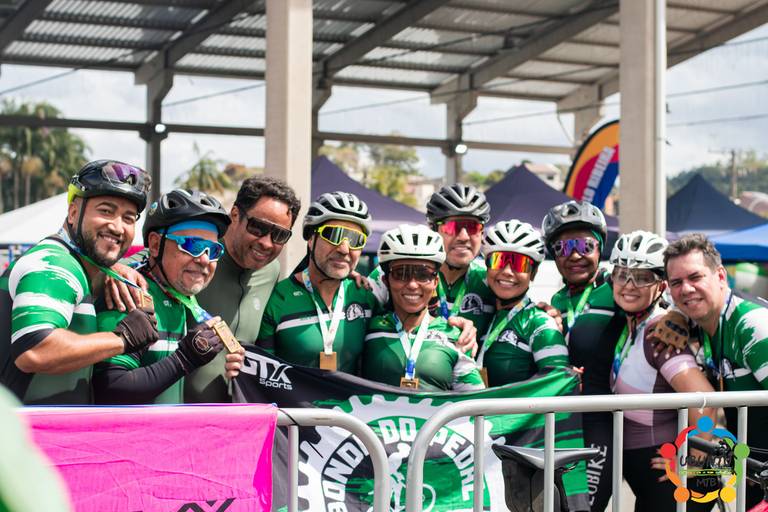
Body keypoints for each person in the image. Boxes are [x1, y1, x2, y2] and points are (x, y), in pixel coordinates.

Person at [0, 160, 159, 404]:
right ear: (73, 213)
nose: (118, 227)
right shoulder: (53, 264)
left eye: (128, 218)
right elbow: (34, 350)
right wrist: (122, 338)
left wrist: (111, 270)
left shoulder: (80, 266)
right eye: (106, 211)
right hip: (18, 427)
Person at [93, 189, 245, 404]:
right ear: (155, 245)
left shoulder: (179, 297)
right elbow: (111, 390)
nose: (204, 259)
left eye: (213, 250)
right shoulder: (129, 293)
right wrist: (184, 359)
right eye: (192, 245)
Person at [608, 231, 715, 511]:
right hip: (651, 479)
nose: (629, 285)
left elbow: (704, 402)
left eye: (642, 277)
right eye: (622, 274)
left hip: (671, 481)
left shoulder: (659, 333)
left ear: (661, 285)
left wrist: (693, 461)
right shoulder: (633, 328)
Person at [664, 233, 768, 508]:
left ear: (721, 276)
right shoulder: (698, 323)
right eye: (676, 283)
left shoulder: (752, 326)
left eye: (695, 277)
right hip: (752, 471)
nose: (686, 289)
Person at [186, 175, 301, 402]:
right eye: (258, 227)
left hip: (240, 415)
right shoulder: (201, 256)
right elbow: (154, 257)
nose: (266, 243)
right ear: (235, 215)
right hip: (181, 415)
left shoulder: (271, 271)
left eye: (279, 235)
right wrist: (122, 270)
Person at [542, 199, 624, 511]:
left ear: (600, 247)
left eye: (584, 245)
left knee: (585, 508)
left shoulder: (616, 288)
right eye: (563, 247)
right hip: (565, 421)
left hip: (600, 420)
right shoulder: (556, 300)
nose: (574, 255)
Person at [257, 191, 378, 373]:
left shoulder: (366, 295)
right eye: (333, 234)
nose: (344, 249)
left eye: (355, 240)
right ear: (311, 239)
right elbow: (262, 377)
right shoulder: (278, 297)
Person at [361, 224, 484, 391]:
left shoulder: (454, 336)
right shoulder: (367, 328)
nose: (412, 284)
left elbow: (477, 401)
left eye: (423, 274)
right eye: (401, 273)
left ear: (435, 282)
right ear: (385, 280)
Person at [369, 184, 495, 334]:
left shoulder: (491, 279)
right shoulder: (396, 273)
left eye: (473, 227)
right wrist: (349, 278)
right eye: (452, 227)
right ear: (433, 230)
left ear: (482, 233)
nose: (464, 237)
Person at [476, 220, 568, 387]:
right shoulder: (485, 314)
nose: (507, 272)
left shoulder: (540, 322)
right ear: (487, 266)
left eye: (519, 263)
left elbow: (560, 385)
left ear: (533, 273)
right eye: (498, 260)